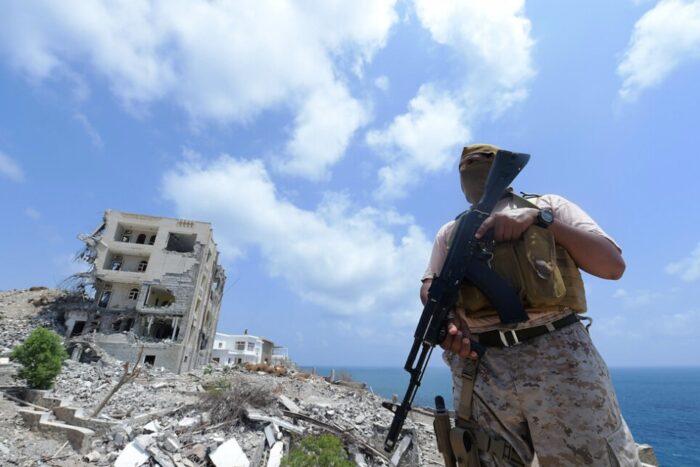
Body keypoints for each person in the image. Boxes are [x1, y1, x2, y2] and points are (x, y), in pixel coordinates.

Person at [421, 144, 640, 466]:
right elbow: (430, 287)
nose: (469, 168)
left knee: (590, 457)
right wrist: (449, 323)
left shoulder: (548, 204)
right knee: (484, 458)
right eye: (463, 165)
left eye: (479, 161)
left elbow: (612, 266)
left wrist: (540, 220)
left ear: (501, 169)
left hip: (558, 356)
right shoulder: (452, 231)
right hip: (480, 363)